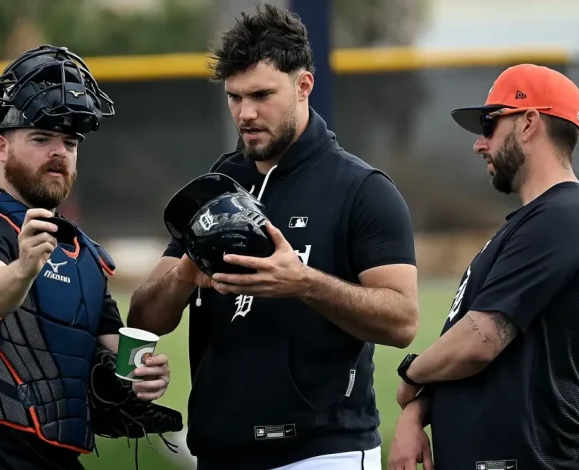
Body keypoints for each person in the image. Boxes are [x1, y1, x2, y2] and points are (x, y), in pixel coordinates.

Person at [127, 4, 419, 470]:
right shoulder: (219, 183)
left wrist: (303, 282)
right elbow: (144, 316)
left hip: (323, 452)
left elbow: (403, 321)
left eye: (262, 94)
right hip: (221, 451)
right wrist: (186, 272)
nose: (245, 113)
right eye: (234, 97)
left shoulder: (362, 189)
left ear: (303, 86)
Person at [0, 45, 173, 470]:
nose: (59, 151)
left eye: (70, 142)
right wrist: (23, 268)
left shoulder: (85, 255)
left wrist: (146, 376)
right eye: (41, 138)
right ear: (1, 147)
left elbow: (117, 350)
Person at [387, 64, 579, 470]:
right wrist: (418, 412)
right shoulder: (536, 222)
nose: (479, 144)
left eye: (489, 125)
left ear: (528, 124)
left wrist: (411, 375)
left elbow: (479, 341)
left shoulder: (565, 216)